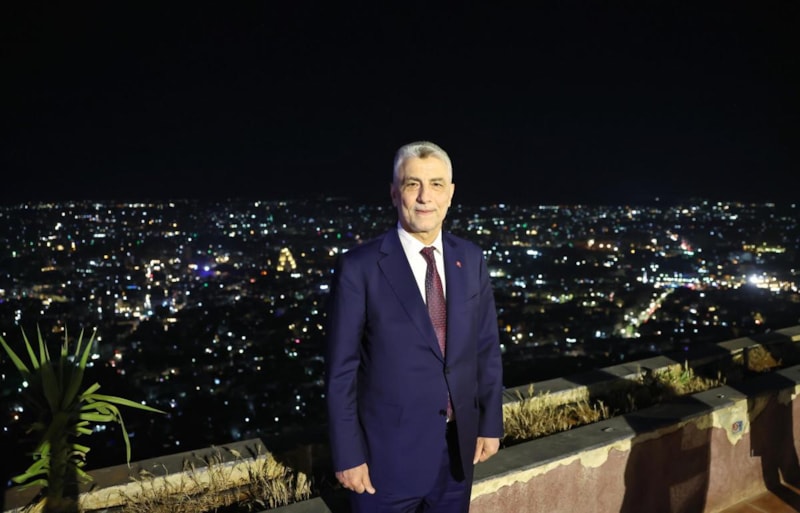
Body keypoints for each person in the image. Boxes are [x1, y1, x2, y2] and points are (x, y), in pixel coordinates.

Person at [325, 140, 504, 512]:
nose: (425, 197)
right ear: (394, 193)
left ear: (450, 193)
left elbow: (486, 348)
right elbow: (341, 370)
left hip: (458, 456)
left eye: (436, 184)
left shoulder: (470, 259)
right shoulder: (359, 267)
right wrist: (347, 455)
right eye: (412, 184)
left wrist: (490, 424)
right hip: (383, 463)